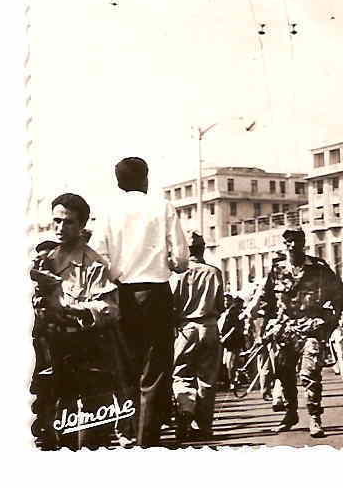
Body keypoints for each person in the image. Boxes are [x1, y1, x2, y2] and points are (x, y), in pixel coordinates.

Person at [90, 157, 188, 447]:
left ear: (119, 183)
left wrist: (116, 274)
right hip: (156, 294)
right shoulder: (162, 207)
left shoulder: (108, 211)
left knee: (126, 368)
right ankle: (148, 439)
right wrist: (167, 262)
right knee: (155, 371)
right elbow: (181, 259)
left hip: (122, 294)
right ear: (146, 179)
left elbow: (98, 257)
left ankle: (128, 433)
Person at [33, 193, 133, 448]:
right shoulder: (46, 260)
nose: (60, 228)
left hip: (87, 347)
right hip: (53, 348)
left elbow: (109, 307)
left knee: (90, 416)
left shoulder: (93, 263)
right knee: (59, 410)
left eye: (68, 222)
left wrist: (77, 310)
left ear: (81, 226)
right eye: (56, 221)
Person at [261, 226, 343, 438]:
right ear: (285, 244)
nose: (293, 245)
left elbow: (340, 296)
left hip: (311, 328)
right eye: (288, 241)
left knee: (309, 373)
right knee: (284, 373)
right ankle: (291, 413)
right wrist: (267, 327)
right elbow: (268, 302)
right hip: (286, 330)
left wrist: (329, 322)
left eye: (297, 241)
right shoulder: (277, 270)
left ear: (303, 243)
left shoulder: (318, 268)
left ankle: (315, 417)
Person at [170, 232, 224, 442]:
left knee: (181, 374)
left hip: (185, 328)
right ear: (203, 249)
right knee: (207, 379)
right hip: (209, 326)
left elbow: (172, 304)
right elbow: (220, 305)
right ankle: (204, 426)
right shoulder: (214, 272)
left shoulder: (177, 274)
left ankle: (185, 408)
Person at [220, 294, 245, 390]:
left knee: (231, 362)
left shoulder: (233, 312)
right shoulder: (226, 312)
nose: (226, 302)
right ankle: (231, 380)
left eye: (227, 300)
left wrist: (225, 337)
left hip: (233, 340)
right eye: (224, 300)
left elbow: (234, 327)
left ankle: (232, 381)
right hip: (228, 340)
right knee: (228, 362)